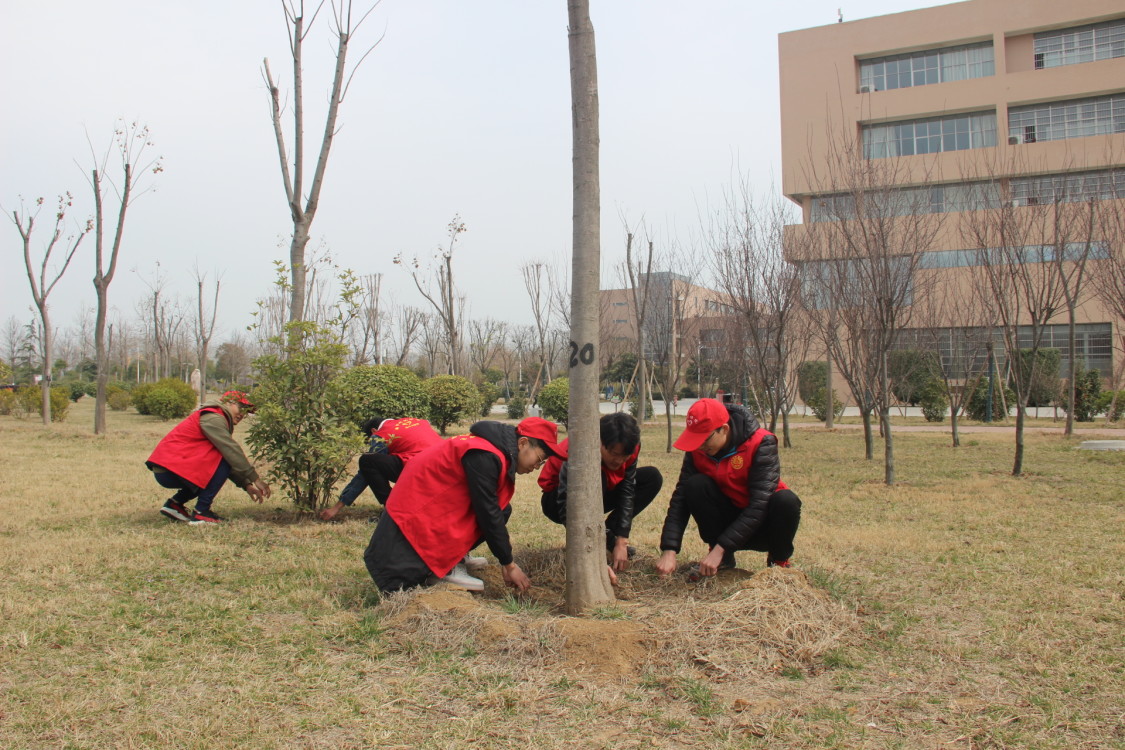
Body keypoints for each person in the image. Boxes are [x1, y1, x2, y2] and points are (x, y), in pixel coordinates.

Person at [364, 416, 566, 594]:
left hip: (430, 505)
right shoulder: (485, 455)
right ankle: (443, 567)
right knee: (493, 512)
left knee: (503, 509)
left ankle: (455, 556)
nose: (536, 467)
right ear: (522, 443)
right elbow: (487, 512)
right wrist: (509, 564)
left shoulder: (494, 450)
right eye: (539, 459)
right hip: (414, 513)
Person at [655, 398, 801, 580]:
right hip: (726, 521)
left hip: (762, 525)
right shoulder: (698, 450)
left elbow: (759, 505)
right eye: (696, 440)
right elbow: (680, 499)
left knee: (786, 500)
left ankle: (779, 561)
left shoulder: (761, 442)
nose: (700, 446)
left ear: (724, 429)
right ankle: (724, 560)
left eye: (705, 439)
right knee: (695, 485)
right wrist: (669, 549)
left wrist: (719, 549)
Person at [538, 412, 663, 571]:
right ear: (600, 442)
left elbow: (627, 488)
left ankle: (609, 533)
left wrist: (621, 539)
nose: (619, 461)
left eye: (625, 456)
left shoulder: (631, 446)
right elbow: (565, 505)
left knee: (652, 477)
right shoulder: (581, 448)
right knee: (596, 477)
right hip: (558, 499)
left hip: (603, 490)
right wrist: (592, 546)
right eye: (614, 454)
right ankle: (603, 537)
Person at [147, 390, 271, 524]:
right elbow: (230, 451)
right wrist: (255, 479)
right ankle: (201, 512)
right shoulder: (214, 417)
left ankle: (174, 505)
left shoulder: (217, 416)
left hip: (172, 468)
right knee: (220, 461)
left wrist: (246, 484)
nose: (243, 414)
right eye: (241, 407)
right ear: (228, 402)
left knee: (215, 462)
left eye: (247, 411)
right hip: (171, 469)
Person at [319, 416, 442, 521]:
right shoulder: (417, 421)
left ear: (373, 431)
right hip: (443, 466)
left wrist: (337, 507)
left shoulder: (380, 435)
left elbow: (364, 474)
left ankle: (392, 510)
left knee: (367, 461)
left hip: (420, 469)